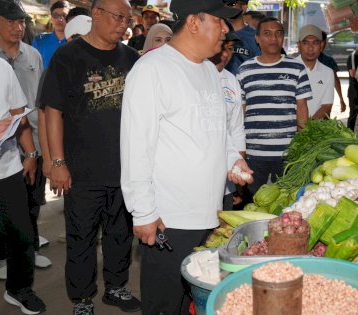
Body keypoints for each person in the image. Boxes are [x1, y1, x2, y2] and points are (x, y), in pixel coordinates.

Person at [120, 1, 249, 313]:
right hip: (169, 219)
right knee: (165, 303)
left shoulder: (209, 70)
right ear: (194, 22)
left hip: (210, 215)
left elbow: (217, 132)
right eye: (219, 21)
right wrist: (143, 212)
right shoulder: (153, 69)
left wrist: (234, 160)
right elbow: (136, 146)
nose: (226, 29)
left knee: (196, 303)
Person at [41, 0, 141, 313]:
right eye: (118, 17)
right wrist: (56, 162)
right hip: (81, 169)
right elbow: (52, 111)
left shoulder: (132, 57)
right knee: (81, 238)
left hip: (124, 167)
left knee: (120, 234)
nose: (123, 24)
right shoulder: (68, 56)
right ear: (95, 14)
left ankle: (116, 287)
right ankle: (82, 298)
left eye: (127, 18)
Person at [0, 0, 52, 273]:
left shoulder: (33, 55)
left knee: (31, 202)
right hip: (2, 146)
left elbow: (40, 103)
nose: (18, 27)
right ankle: (2, 256)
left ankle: (29, 247)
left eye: (21, 22)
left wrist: (41, 149)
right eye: (10, 21)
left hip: (31, 141)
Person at [236, 17, 311, 194]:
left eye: (278, 34)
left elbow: (302, 108)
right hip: (254, 153)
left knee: (286, 202)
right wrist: (240, 150)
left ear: (283, 38)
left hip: (288, 154)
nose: (273, 39)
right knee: (254, 203)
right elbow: (240, 111)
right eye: (267, 34)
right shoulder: (245, 70)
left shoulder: (296, 68)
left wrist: (303, 146)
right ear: (257, 38)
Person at [0, 54, 45, 314]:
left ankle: (19, 289)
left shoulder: (1, 67)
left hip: (8, 169)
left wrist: (30, 154)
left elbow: (19, 115)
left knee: (21, 234)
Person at [208, 22, 246, 210]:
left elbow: (237, 129)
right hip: (200, 179)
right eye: (222, 47)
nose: (225, 54)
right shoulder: (198, 75)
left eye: (230, 48)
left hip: (227, 176)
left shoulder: (232, 81)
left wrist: (239, 173)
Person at [296, 24, 334, 119]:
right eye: (305, 43)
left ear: (321, 45)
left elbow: (327, 105)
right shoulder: (288, 68)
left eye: (315, 43)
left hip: (313, 129)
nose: (310, 48)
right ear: (299, 45)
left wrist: (308, 129)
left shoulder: (328, 72)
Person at [31, 1, 70, 69]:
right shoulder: (39, 40)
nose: (60, 19)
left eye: (64, 15)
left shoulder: (76, 43)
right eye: (55, 15)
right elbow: (32, 67)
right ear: (51, 18)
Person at [225, 0, 260, 74]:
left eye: (231, 4)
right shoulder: (215, 33)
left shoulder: (256, 36)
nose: (226, 7)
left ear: (244, 7)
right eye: (223, 4)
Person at [319, 31, 347, 114]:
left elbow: (335, 80)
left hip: (324, 102)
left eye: (323, 42)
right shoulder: (303, 60)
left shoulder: (328, 61)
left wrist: (341, 99)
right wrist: (341, 99)